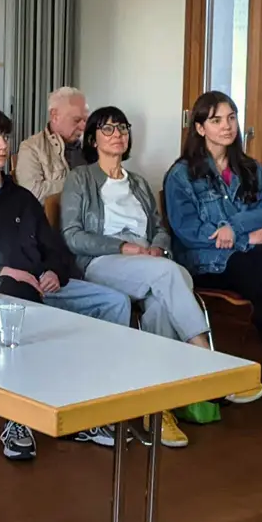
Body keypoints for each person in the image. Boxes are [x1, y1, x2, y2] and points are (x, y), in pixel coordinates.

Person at [0, 106, 131, 461]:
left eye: (5, 138)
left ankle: (88, 409)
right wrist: (7, 272)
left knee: (115, 303)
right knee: (19, 297)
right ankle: (19, 417)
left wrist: (55, 272)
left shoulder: (23, 198)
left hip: (45, 287)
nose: (1, 145)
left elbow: (55, 248)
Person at [61, 106, 209, 448]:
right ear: (92, 138)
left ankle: (156, 407)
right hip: (102, 261)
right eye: (108, 129)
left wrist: (155, 247)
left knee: (160, 302)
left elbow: (160, 228)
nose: (118, 134)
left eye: (122, 128)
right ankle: (206, 358)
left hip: (148, 264)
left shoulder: (138, 182)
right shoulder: (80, 178)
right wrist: (123, 246)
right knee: (173, 275)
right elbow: (72, 234)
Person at [164, 91, 262, 417]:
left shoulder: (250, 168)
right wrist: (245, 238)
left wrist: (234, 226)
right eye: (216, 120)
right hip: (207, 261)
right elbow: (188, 231)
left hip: (249, 258)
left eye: (231, 117)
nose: (227, 126)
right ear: (200, 128)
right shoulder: (181, 175)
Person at [16, 86, 88, 201]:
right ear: (55, 116)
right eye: (76, 120)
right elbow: (33, 193)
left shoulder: (90, 145)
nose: (83, 127)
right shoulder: (31, 148)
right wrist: (78, 182)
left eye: (85, 120)